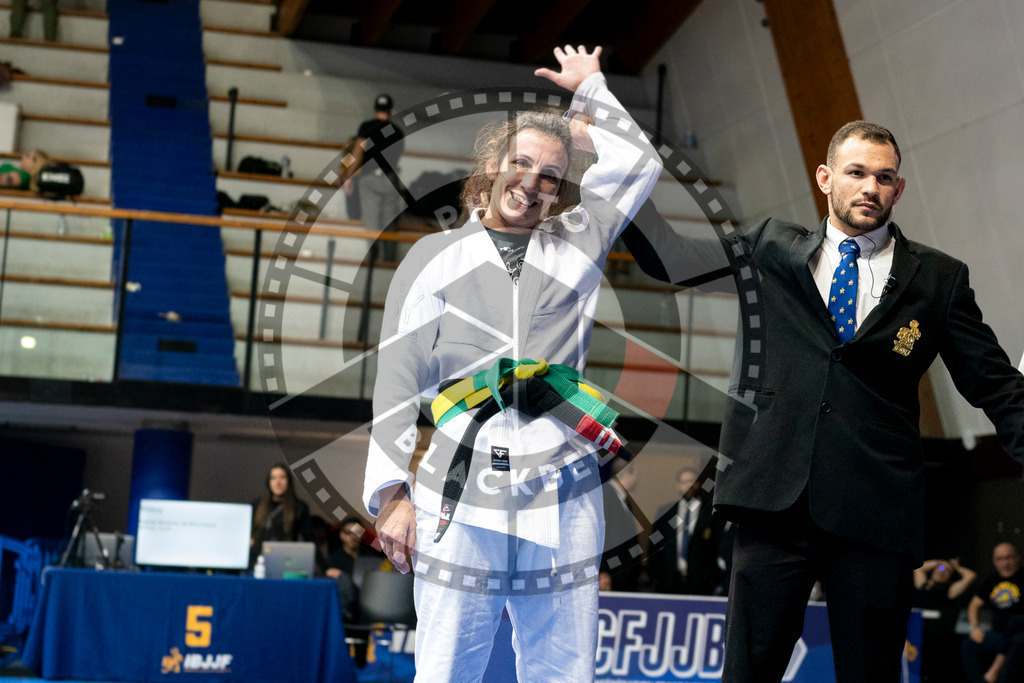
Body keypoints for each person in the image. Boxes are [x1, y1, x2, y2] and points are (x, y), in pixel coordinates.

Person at [621, 121, 1024, 682]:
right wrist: (621, 169)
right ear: (825, 177)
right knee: (748, 673)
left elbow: (996, 385)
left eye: (884, 178)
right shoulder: (770, 248)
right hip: (773, 495)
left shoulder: (939, 279)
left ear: (899, 189)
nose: (870, 188)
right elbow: (671, 259)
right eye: (857, 173)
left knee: (872, 674)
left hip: (876, 507)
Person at [363, 45, 662, 682]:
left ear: (561, 188)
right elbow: (395, 381)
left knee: (564, 669)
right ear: (494, 166)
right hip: (458, 484)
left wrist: (593, 92)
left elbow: (639, 163)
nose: (531, 182)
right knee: (446, 667)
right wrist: (391, 495)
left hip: (563, 486)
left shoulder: (580, 241)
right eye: (520, 163)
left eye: (550, 174)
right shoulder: (433, 257)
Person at [340, 93, 405, 262]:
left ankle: (373, 261)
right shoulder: (398, 132)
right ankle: (390, 262)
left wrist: (348, 176)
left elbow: (358, 153)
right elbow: (396, 159)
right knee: (389, 225)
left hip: (370, 179)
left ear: (375, 109)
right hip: (391, 178)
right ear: (390, 111)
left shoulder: (367, 126)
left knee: (372, 222)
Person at [651, 467, 723, 595]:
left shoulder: (710, 512)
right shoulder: (665, 512)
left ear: (698, 483)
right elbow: (654, 545)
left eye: (691, 481)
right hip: (669, 583)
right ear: (677, 485)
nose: (688, 485)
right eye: (684, 482)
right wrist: (655, 576)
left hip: (701, 584)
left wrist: (712, 578)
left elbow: (718, 545)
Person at [962, 543, 1024, 683]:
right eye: (1000, 559)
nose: (1005, 563)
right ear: (994, 562)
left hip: (1019, 635)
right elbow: (973, 605)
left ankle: (994, 672)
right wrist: (974, 627)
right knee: (968, 645)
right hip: (999, 635)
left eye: (1009, 558)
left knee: (1016, 629)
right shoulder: (992, 580)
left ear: (1017, 558)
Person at [912, 557, 976, 682]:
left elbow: (970, 575)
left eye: (947, 572)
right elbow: (919, 567)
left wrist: (955, 567)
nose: (942, 572)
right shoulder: (922, 584)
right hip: (914, 636)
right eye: (941, 569)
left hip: (935, 641)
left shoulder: (949, 592)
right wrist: (940, 563)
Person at [250, 462, 312, 566]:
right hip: (257, 562)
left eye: (282, 477)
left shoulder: (299, 507)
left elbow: (309, 540)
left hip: (286, 562)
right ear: (268, 482)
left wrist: (326, 567)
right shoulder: (257, 505)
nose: (277, 482)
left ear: (288, 481)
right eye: (273, 478)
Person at [600, 461, 643, 591]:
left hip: (622, 577)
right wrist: (603, 571)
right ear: (626, 474)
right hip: (610, 577)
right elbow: (601, 535)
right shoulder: (606, 494)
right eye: (636, 475)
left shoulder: (623, 500)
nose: (637, 479)